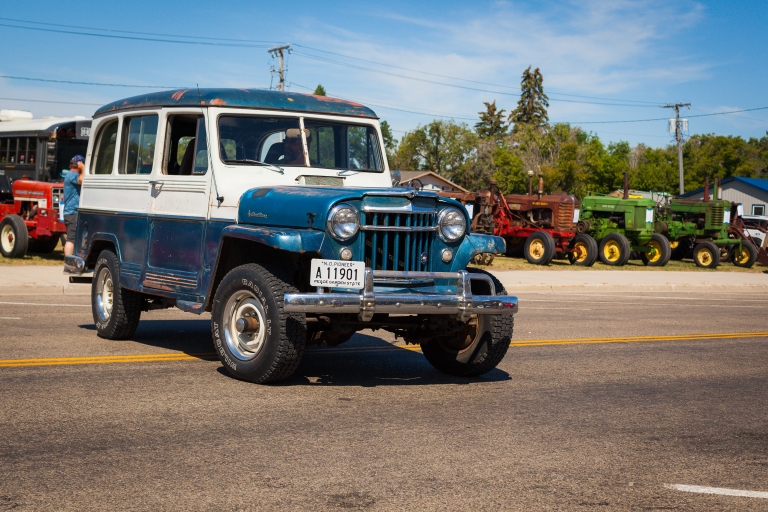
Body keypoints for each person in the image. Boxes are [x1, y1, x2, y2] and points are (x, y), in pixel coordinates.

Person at [63, 155, 84, 256]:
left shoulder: (70, 175)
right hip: (72, 213)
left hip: (72, 212)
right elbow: (81, 180)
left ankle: (72, 261)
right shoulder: (71, 175)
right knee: (71, 239)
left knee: (74, 239)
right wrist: (83, 169)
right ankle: (68, 262)